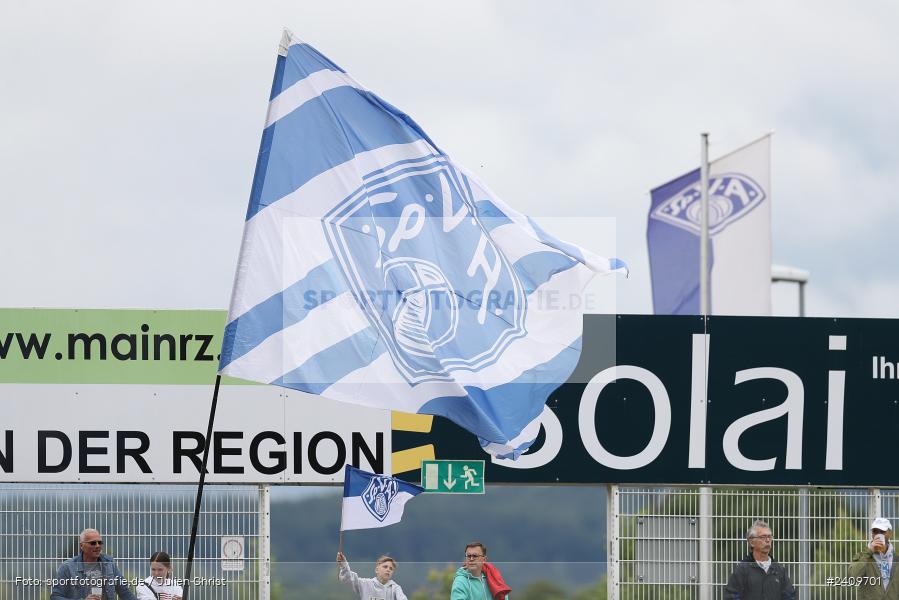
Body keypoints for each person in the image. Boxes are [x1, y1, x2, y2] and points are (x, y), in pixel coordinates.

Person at [50, 528, 137, 600]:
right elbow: (56, 597)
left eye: (100, 542)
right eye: (93, 543)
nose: (97, 545)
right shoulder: (67, 567)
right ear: (81, 546)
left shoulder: (109, 563)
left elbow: (124, 592)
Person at [724, 520, 795, 600]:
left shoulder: (779, 570)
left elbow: (790, 596)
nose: (768, 540)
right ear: (751, 542)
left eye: (769, 537)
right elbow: (731, 596)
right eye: (763, 537)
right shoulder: (742, 570)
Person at [849, 517, 899, 599]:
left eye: (882, 532)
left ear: (890, 534)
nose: (878, 535)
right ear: (872, 534)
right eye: (875, 531)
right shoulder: (863, 556)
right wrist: (870, 551)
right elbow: (853, 576)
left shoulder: (896, 559)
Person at [336, 550, 408, 600]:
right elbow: (348, 578)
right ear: (377, 570)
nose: (388, 569)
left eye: (391, 569)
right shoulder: (365, 584)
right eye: (385, 567)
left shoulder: (395, 588)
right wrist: (343, 564)